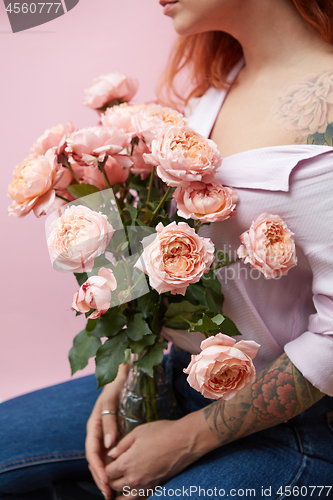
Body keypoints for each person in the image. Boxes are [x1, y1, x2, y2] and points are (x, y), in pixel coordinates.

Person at [1, 0, 333, 499]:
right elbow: (172, 252)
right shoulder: (218, 87)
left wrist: (189, 438)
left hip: (295, 422)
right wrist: (123, 377)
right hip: (174, 374)